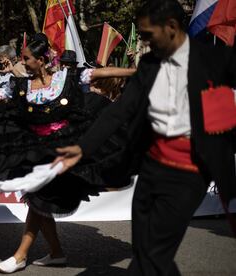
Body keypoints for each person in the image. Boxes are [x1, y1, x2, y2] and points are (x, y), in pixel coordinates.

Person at [54, 1, 236, 275]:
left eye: (148, 35)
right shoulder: (150, 64)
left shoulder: (215, 61)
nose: (144, 41)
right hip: (150, 169)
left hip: (190, 173)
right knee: (146, 252)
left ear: (172, 27)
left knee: (155, 251)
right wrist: (82, 148)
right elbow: (118, 112)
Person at [0, 39, 135, 273]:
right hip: (33, 148)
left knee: (38, 198)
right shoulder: (20, 85)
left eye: (27, 58)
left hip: (62, 149)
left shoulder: (65, 78)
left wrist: (136, 70)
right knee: (37, 200)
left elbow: (101, 72)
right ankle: (56, 253)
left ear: (41, 60)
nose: (23, 62)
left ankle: (21, 255)